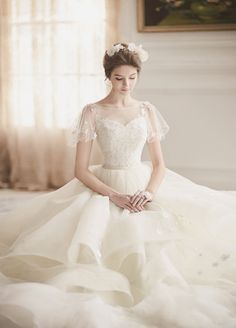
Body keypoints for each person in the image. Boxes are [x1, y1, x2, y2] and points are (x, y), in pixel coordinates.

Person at [0, 42, 235, 328]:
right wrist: (114, 196)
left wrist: (148, 192)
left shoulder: (146, 110)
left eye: (132, 78)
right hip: (105, 184)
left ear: (138, 75)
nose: (126, 85)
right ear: (108, 77)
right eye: (119, 78)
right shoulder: (93, 111)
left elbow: (160, 165)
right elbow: (80, 170)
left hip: (141, 183)